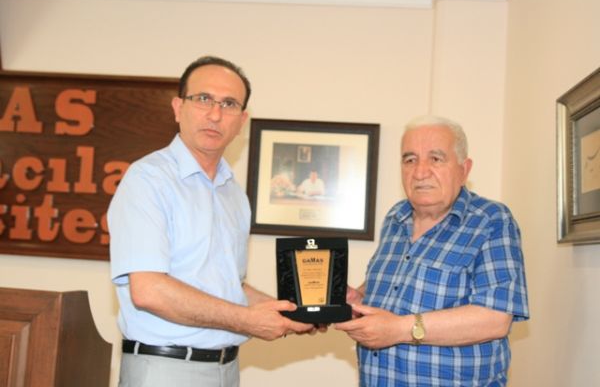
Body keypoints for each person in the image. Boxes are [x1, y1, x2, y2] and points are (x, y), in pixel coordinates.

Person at [108, 56, 313, 387]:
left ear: (242, 120)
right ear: (178, 108)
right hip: (164, 370)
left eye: (229, 104)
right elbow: (149, 290)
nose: (215, 114)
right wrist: (248, 321)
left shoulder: (233, 193)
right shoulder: (147, 179)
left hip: (226, 369)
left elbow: (230, 285)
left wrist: (290, 311)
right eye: (203, 98)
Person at [335, 115, 529, 386]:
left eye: (436, 159)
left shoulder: (491, 220)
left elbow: (495, 318)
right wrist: (361, 297)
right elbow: (399, 285)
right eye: (410, 160)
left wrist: (398, 329)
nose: (420, 172)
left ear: (464, 169)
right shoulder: (395, 218)